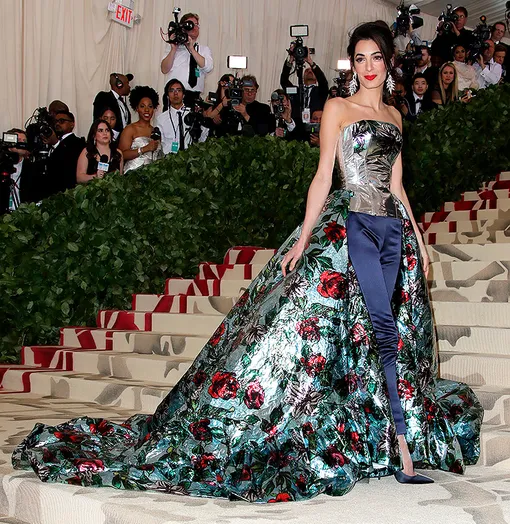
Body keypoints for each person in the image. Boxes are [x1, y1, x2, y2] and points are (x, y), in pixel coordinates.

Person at [12, 21, 482, 503]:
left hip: (392, 235)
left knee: (388, 338)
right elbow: (324, 176)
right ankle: (399, 448)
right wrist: (303, 239)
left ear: (388, 62)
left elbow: (398, 186)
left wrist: (418, 241)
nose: (368, 67)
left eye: (376, 58)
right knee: (372, 331)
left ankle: (384, 436)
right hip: (352, 229)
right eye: (359, 59)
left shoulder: (395, 116)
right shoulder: (339, 109)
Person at [160, 12, 213, 99]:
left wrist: (192, 49)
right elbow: (164, 69)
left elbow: (208, 67)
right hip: (174, 95)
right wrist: (173, 49)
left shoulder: (204, 49)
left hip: (194, 96)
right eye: (190, 24)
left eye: (196, 24)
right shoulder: (173, 48)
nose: (194, 27)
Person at [156, 78, 209, 154]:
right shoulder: (161, 118)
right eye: (172, 91)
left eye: (179, 90)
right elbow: (159, 144)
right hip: (169, 158)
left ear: (183, 95)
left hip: (190, 156)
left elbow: (202, 138)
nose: (175, 93)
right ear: (167, 96)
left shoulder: (192, 114)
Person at [118, 86, 163, 173]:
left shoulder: (155, 131)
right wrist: (144, 149)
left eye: (150, 106)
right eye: (142, 106)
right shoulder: (130, 129)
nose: (146, 110)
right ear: (137, 108)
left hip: (152, 176)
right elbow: (121, 155)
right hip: (132, 175)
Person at [280, 51, 329, 124]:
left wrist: (310, 62)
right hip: (296, 125)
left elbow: (323, 81)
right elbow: (283, 81)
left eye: (312, 71)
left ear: (316, 78)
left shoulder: (320, 91)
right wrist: (291, 59)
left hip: (315, 124)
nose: (309, 71)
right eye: (306, 71)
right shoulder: (296, 91)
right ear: (303, 77)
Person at [45, 110, 86, 196]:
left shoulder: (78, 143)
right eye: (55, 121)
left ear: (72, 124)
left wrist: (55, 143)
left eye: (62, 121)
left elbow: (67, 165)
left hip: (67, 193)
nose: (57, 124)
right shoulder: (49, 141)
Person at [76, 119, 123, 184]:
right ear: (94, 135)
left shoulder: (118, 153)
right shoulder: (87, 152)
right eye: (100, 131)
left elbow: (121, 177)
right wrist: (95, 176)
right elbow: (79, 178)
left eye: (107, 130)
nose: (105, 133)